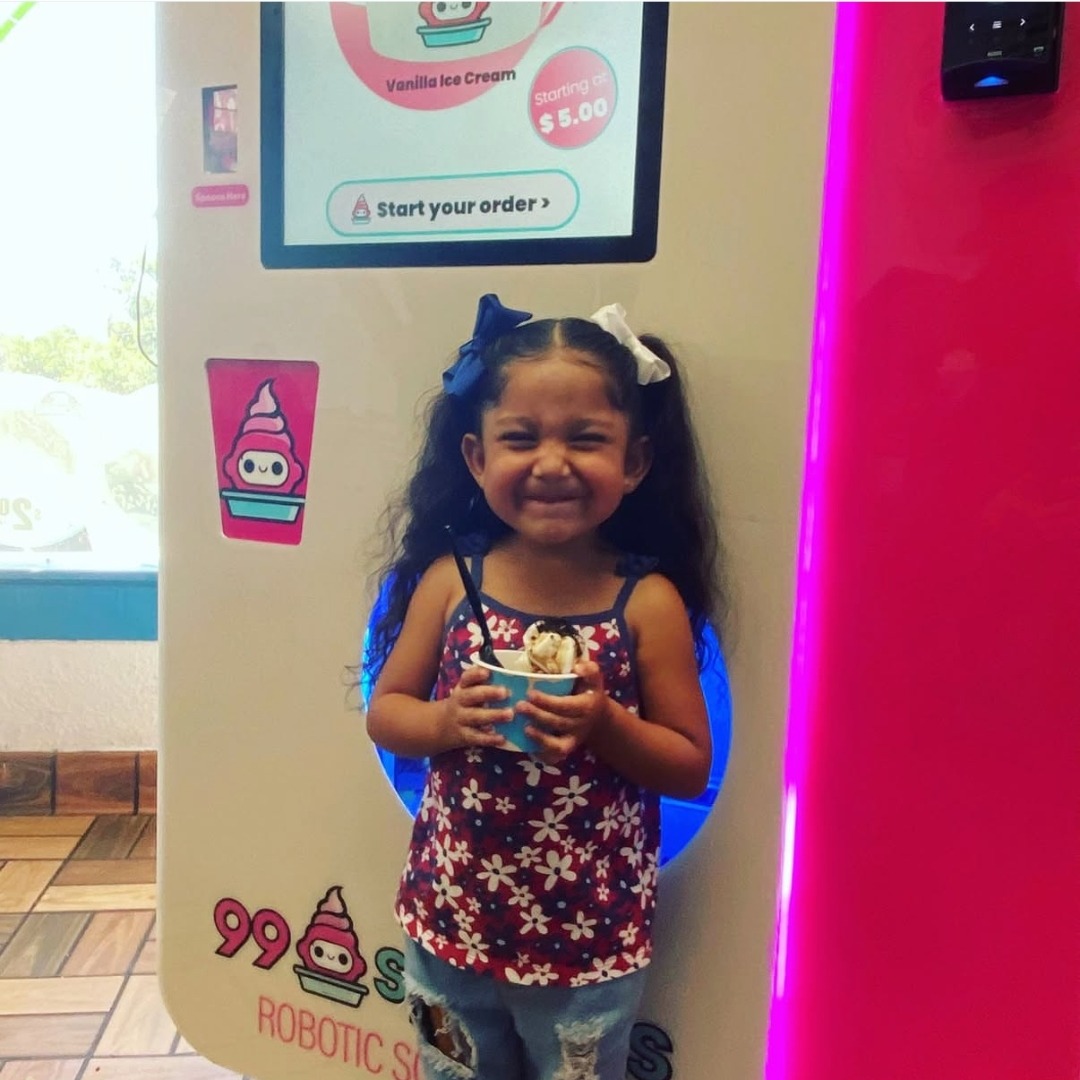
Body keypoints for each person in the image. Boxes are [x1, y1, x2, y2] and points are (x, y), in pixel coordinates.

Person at [364, 293, 724, 1080]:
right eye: (519, 438)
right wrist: (448, 722)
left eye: (587, 440)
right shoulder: (451, 581)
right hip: (450, 919)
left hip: (588, 942)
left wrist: (605, 724)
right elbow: (386, 713)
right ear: (475, 457)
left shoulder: (646, 601)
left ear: (633, 462)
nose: (552, 463)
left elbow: (690, 762)